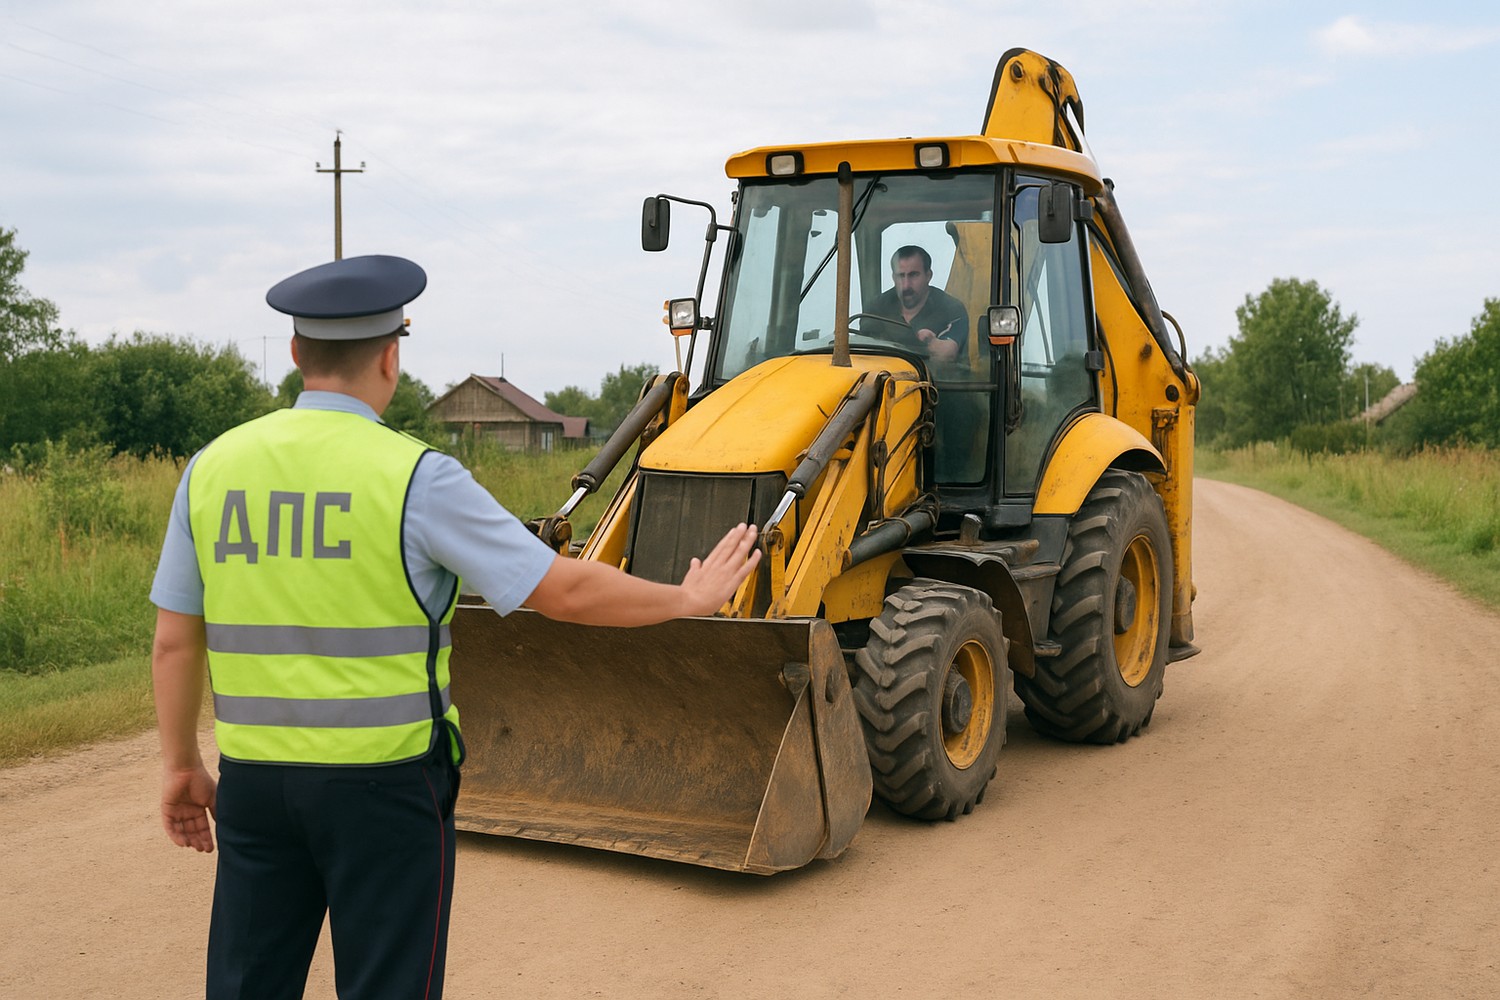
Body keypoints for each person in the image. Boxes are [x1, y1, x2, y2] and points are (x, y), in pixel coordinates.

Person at [149, 254, 761, 1000]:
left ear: (297, 353)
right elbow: (561, 590)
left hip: (254, 784)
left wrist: (181, 766)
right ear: (390, 358)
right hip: (386, 788)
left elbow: (174, 641)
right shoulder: (418, 477)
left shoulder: (211, 469)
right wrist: (685, 598)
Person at [867, 244, 970, 366]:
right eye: (901, 276)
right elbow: (867, 352)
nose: (906, 285)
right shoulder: (877, 308)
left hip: (936, 377)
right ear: (893, 277)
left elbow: (948, 353)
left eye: (913, 275)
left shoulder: (951, 308)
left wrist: (932, 343)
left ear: (928, 276)